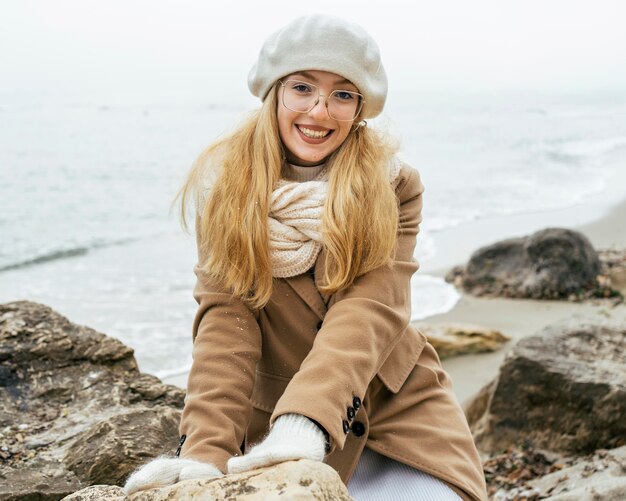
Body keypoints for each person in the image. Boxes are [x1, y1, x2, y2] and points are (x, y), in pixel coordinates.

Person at [123, 14, 488, 501]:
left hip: (395, 412)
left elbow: (370, 308)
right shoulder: (226, 191)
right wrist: (206, 451)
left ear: (360, 108)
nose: (319, 112)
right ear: (274, 91)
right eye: (302, 87)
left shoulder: (393, 184)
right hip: (272, 420)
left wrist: (308, 419)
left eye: (342, 94)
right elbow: (225, 324)